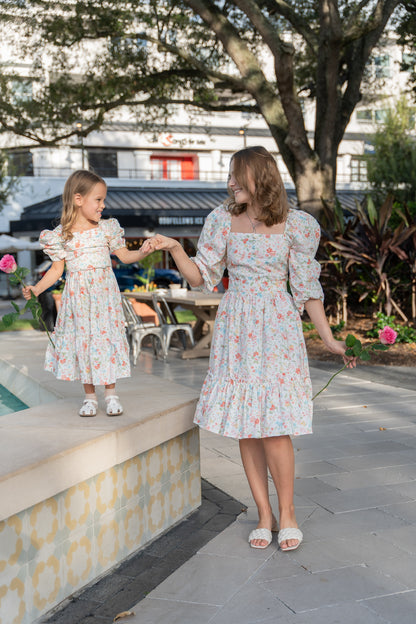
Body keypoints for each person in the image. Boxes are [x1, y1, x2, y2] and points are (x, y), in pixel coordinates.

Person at [150, 146, 356, 552]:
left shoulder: (297, 225)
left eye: (236, 176)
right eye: (229, 175)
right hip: (238, 327)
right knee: (247, 425)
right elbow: (201, 277)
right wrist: (175, 248)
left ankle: (290, 513)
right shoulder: (221, 221)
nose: (229, 183)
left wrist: (328, 338)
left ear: (259, 178)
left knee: (275, 427)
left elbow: (306, 288)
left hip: (278, 326)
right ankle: (264, 514)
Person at [22, 170, 153, 417]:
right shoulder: (61, 235)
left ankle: (111, 394)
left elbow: (124, 256)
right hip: (79, 298)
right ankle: (90, 397)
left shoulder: (107, 229)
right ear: (78, 199)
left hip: (104, 296)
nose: (103, 205)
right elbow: (56, 269)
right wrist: (37, 288)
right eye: (99, 200)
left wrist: (144, 252)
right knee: (84, 342)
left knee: (105, 340)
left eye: (104, 200)